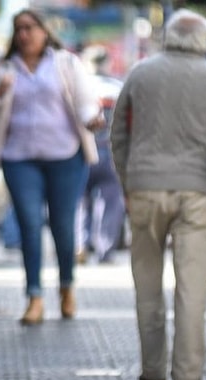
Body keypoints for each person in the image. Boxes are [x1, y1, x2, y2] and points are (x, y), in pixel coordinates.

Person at [110, 9, 206, 380]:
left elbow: (118, 135)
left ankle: (152, 373)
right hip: (197, 193)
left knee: (147, 288)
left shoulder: (140, 73)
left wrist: (128, 184)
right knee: (192, 293)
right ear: (205, 41)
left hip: (145, 189)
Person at [0, 8, 103, 325]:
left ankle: (66, 287)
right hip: (19, 159)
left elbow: (85, 99)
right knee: (30, 226)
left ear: (44, 31)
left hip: (66, 156)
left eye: (30, 27)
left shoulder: (65, 62)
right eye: (18, 28)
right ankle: (34, 297)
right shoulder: (7, 69)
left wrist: (92, 117)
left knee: (63, 226)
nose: (24, 34)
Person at [75, 45, 126, 264]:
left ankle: (80, 245)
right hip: (111, 153)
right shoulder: (118, 87)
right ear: (106, 63)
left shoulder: (79, 89)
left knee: (79, 202)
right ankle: (105, 250)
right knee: (110, 202)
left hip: (82, 153)